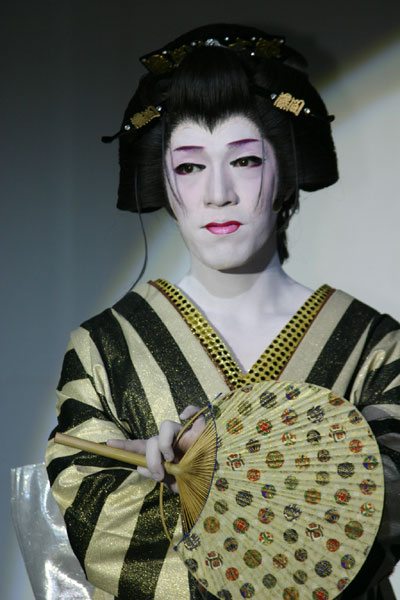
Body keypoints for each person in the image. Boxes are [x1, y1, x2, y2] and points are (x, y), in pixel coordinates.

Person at [45, 24, 400, 600]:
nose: (218, 194)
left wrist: (211, 469)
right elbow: (92, 522)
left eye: (245, 161)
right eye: (189, 166)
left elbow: (382, 511)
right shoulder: (103, 349)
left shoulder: (375, 347)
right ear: (162, 177)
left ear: (285, 170)